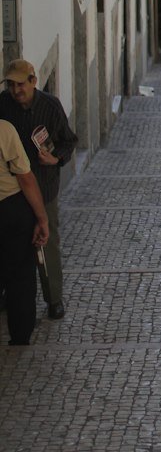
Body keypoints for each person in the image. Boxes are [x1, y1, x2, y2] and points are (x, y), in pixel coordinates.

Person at [0, 59, 78, 321]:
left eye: (20, 84)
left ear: (33, 81)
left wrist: (56, 160)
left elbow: (69, 140)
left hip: (43, 186)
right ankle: (9, 295)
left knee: (47, 242)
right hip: (12, 190)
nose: (15, 90)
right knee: (11, 244)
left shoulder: (50, 106)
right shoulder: (3, 105)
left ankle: (54, 298)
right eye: (11, 85)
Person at [0, 118, 49, 345]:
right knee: (20, 275)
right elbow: (26, 179)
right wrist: (42, 217)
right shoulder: (4, 129)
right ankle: (20, 335)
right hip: (9, 208)